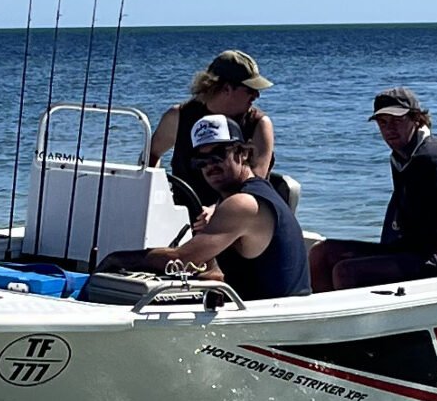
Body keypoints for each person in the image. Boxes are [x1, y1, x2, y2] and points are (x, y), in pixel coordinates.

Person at [99, 114, 310, 301]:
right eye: (200, 160)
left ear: (242, 153)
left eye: (218, 154)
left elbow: (181, 260)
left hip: (271, 319)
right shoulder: (237, 199)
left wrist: (117, 259)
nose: (210, 166)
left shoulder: (243, 204)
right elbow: (218, 273)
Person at [309, 87, 437, 291]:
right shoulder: (402, 156)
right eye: (383, 123)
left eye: (396, 121)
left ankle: (353, 321)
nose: (389, 129)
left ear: (416, 119)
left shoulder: (432, 158)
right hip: (412, 248)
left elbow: (433, 234)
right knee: (321, 253)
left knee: (347, 271)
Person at [149, 50, 275, 207]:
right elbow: (151, 155)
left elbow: (256, 183)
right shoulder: (178, 117)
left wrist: (217, 211)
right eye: (250, 89)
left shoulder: (259, 124)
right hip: (183, 214)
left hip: (240, 215)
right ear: (227, 89)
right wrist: (153, 197)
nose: (257, 96)